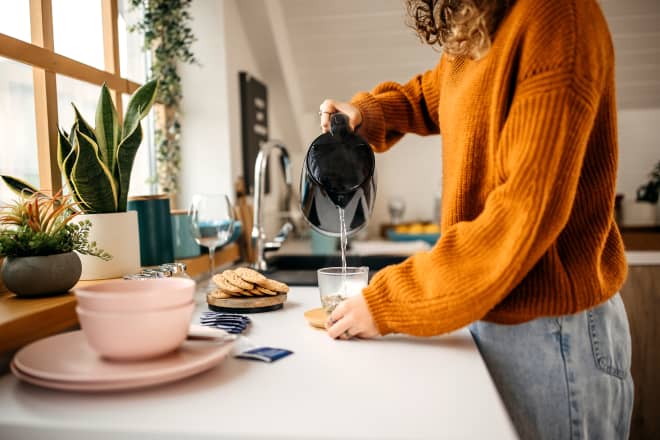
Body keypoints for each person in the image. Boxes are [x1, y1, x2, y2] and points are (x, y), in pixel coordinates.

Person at [319, 0, 634, 438]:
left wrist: (388, 300)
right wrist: (371, 114)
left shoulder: (557, 16)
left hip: (553, 333)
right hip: (490, 312)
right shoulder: (481, 21)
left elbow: (518, 219)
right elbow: (437, 92)